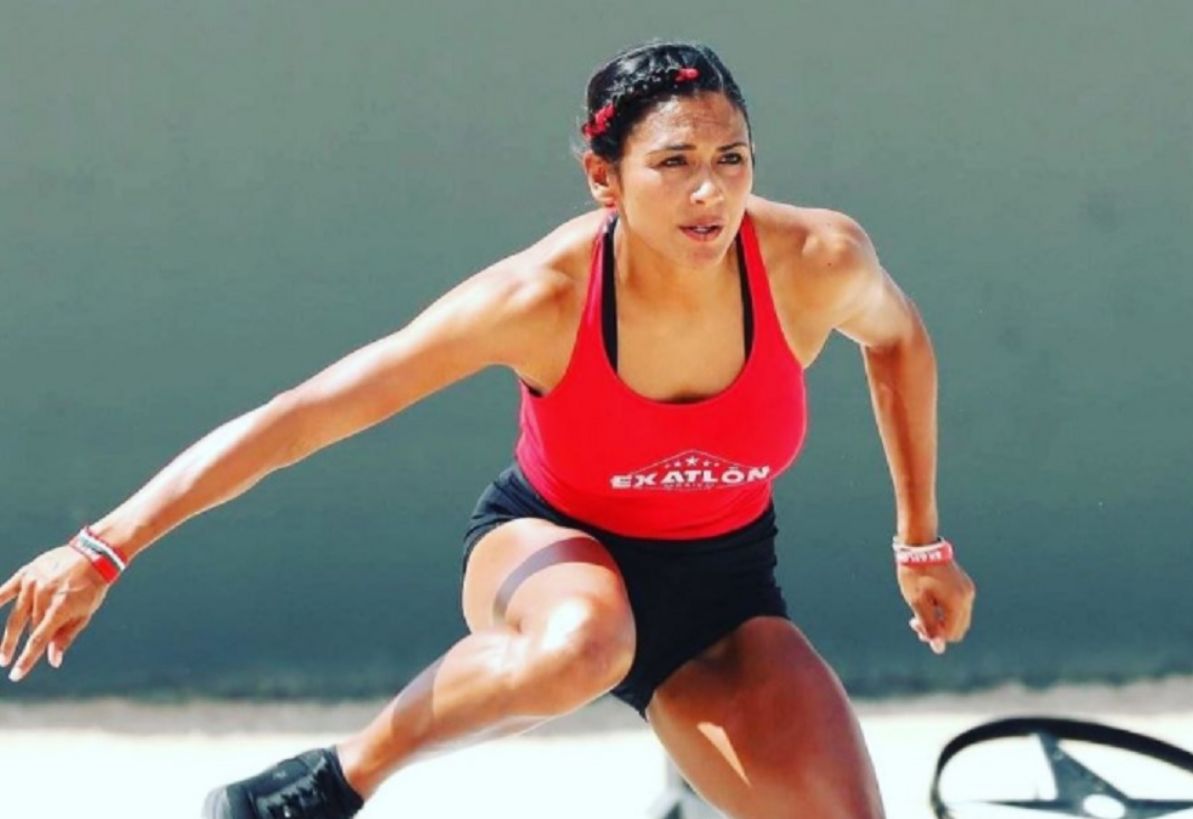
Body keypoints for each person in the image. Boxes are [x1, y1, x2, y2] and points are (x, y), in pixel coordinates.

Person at [0, 40, 976, 818]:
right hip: (549, 548)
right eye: (673, 163)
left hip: (724, 589)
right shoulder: (538, 299)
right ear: (604, 178)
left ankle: (685, 782)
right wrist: (106, 545)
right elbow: (304, 417)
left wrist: (921, 541)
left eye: (731, 159)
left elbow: (899, 342)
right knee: (582, 644)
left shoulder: (814, 259)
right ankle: (332, 781)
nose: (710, 192)